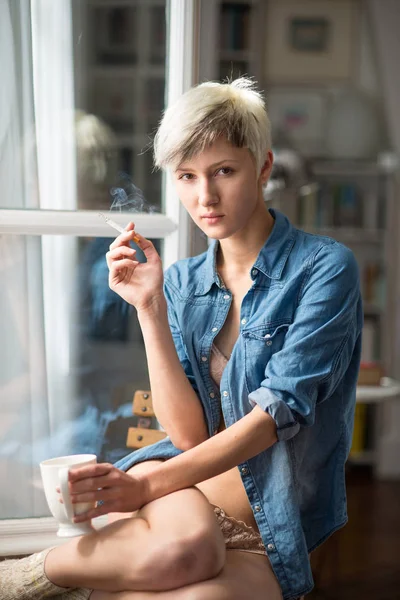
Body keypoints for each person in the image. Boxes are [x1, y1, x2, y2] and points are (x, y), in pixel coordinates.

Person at [0, 77, 363, 600]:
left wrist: (144, 485)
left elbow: (274, 417)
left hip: (267, 528)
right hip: (182, 497)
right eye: (187, 176)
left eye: (223, 171)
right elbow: (187, 434)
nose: (204, 196)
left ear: (263, 166)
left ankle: (42, 577)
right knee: (181, 552)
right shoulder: (181, 281)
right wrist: (149, 306)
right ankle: (24, 576)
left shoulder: (326, 269)